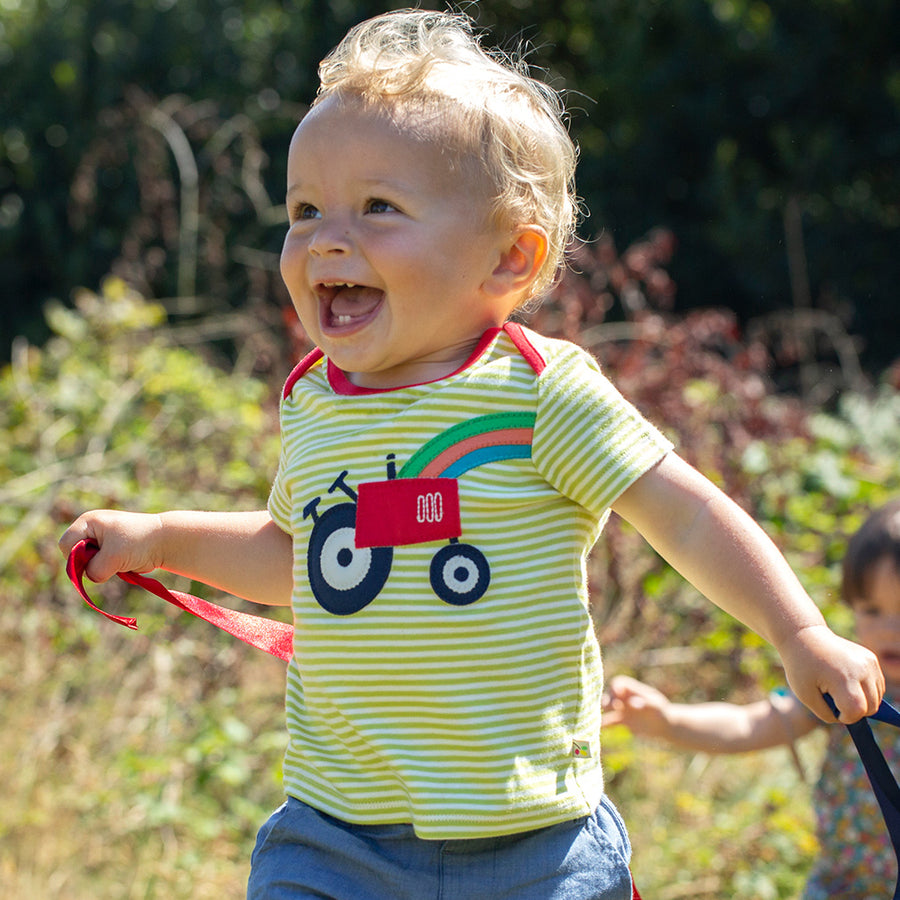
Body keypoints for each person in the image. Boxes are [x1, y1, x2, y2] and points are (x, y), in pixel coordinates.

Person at [58, 9, 884, 900]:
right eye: (305, 209)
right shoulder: (315, 398)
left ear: (508, 259)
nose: (326, 236)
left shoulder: (540, 390)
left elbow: (683, 513)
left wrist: (799, 634)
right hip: (338, 834)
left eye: (379, 207)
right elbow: (303, 561)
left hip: (534, 842)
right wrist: (158, 540)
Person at [603, 498, 900, 898]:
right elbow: (749, 725)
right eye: (871, 609)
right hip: (841, 888)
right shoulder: (844, 691)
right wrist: (668, 719)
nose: (887, 630)